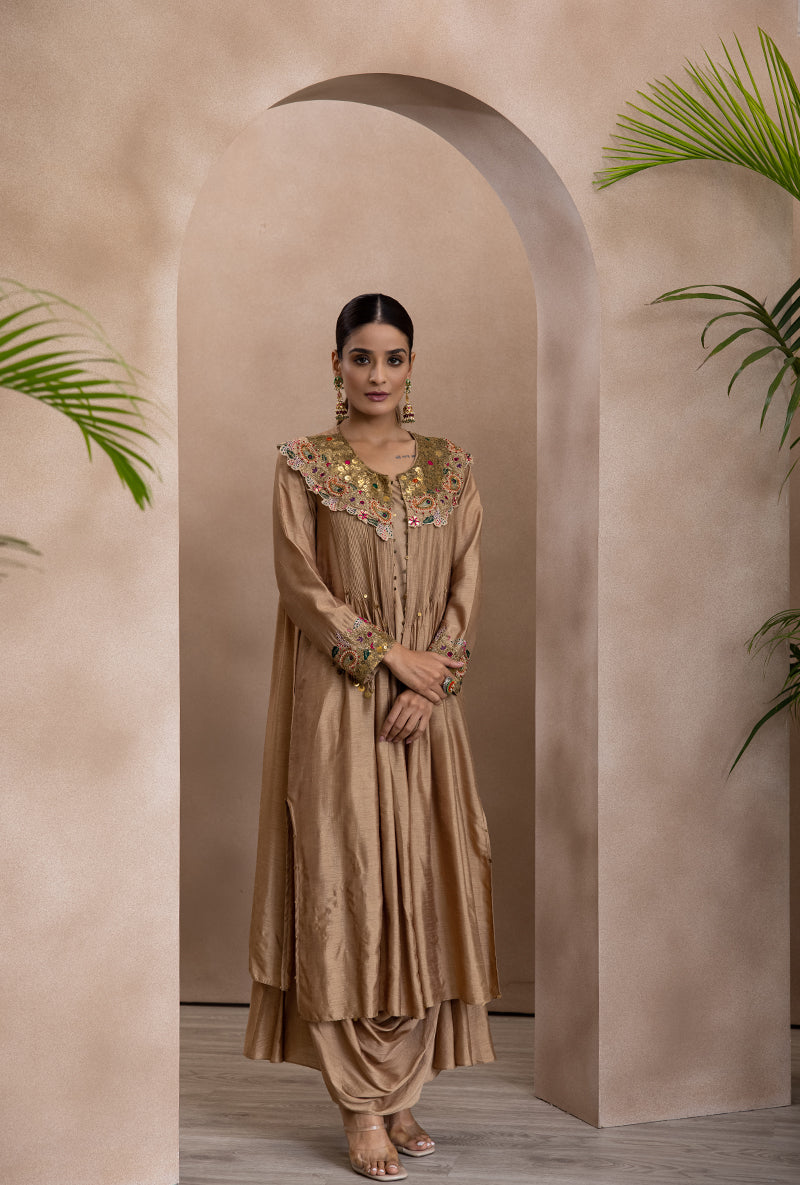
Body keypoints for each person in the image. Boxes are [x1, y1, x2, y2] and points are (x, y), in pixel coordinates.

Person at [243, 293, 499, 1180]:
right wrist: (393, 658)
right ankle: (359, 1105)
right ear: (337, 364)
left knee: (421, 886)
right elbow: (300, 585)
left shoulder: (452, 467)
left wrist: (435, 681)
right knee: (348, 887)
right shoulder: (303, 465)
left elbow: (466, 581)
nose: (378, 374)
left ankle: (403, 1088)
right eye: (362, 357)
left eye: (393, 358)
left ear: (411, 366)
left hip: (426, 711)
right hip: (342, 703)